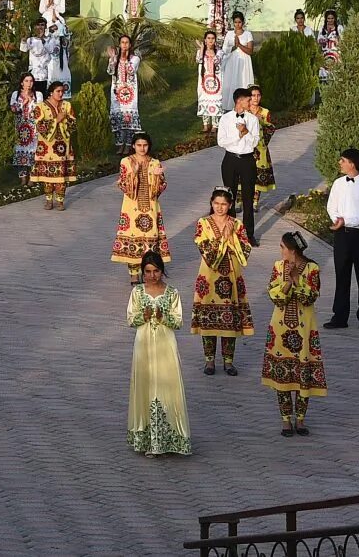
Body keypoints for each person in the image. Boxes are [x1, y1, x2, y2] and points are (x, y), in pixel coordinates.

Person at [126, 250, 191, 457]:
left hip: (165, 347)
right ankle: (147, 439)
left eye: (156, 271)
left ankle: (168, 438)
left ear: (162, 271)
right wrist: (142, 316)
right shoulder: (137, 293)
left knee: (167, 387)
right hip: (143, 346)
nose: (152, 276)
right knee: (146, 386)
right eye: (148, 271)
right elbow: (130, 320)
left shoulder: (172, 293)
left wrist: (164, 318)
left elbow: (178, 322)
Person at [261, 230, 326, 436]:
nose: (280, 251)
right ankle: (285, 420)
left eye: (282, 247)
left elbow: (310, 297)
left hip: (304, 328)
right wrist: (288, 282)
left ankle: (301, 420)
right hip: (280, 327)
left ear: (292, 250)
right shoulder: (277, 267)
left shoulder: (313, 268)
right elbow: (276, 297)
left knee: (302, 373)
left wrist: (298, 281)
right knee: (283, 374)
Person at [190, 188, 254, 375]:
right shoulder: (203, 223)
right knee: (209, 318)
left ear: (230, 205)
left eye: (224, 204)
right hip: (209, 275)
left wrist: (231, 236)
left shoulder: (237, 224)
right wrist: (222, 240)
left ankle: (228, 361)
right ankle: (209, 361)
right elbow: (203, 246)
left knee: (230, 318)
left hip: (231, 275)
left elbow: (245, 248)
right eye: (216, 203)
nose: (220, 207)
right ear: (211, 203)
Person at [325, 148, 359, 332]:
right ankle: (339, 316)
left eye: (343, 160)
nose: (340, 163)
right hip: (342, 235)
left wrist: (346, 220)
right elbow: (331, 206)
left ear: (352, 163)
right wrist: (337, 219)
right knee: (342, 276)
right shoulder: (338, 183)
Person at [111, 133, 168, 278]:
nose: (142, 148)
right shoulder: (126, 162)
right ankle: (134, 274)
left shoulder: (155, 162)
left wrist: (157, 177)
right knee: (132, 236)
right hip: (131, 207)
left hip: (151, 206)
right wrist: (134, 174)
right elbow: (122, 184)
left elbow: (161, 187)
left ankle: (149, 272)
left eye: (145, 145)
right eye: (139, 145)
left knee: (151, 236)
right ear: (133, 146)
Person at [215, 89, 262, 245]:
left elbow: (254, 142)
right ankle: (232, 232)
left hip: (247, 160)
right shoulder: (225, 119)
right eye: (249, 100)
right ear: (239, 101)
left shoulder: (253, 120)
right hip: (230, 160)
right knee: (230, 197)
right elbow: (221, 141)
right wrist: (237, 136)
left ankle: (249, 234)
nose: (252, 102)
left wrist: (245, 132)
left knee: (248, 198)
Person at [30, 81, 74, 211]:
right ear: (51, 92)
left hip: (63, 146)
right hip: (47, 146)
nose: (61, 94)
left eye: (62, 91)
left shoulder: (67, 105)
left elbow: (73, 124)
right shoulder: (40, 107)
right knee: (47, 175)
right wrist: (57, 120)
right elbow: (40, 126)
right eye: (58, 91)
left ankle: (60, 201)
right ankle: (49, 200)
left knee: (61, 176)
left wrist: (64, 120)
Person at [108, 34, 143, 147]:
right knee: (118, 116)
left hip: (130, 94)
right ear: (119, 44)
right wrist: (113, 58)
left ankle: (128, 144)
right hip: (117, 93)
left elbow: (131, 70)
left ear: (130, 45)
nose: (124, 45)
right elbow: (110, 71)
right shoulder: (114, 58)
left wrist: (125, 58)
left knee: (129, 118)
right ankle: (119, 144)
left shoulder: (135, 59)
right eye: (122, 42)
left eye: (126, 43)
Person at [220, 11, 255, 115]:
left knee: (243, 81)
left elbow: (250, 51)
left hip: (244, 62)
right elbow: (224, 50)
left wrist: (239, 45)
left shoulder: (248, 34)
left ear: (243, 22)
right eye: (235, 22)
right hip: (232, 61)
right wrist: (233, 47)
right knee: (232, 82)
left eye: (239, 22)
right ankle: (230, 106)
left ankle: (246, 105)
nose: (237, 24)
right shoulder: (229, 34)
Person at [10, 72, 41, 181]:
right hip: (20, 127)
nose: (29, 83)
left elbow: (40, 111)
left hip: (33, 127)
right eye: (26, 81)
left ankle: (32, 177)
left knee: (33, 150)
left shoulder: (38, 94)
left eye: (31, 81)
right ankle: (23, 178)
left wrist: (31, 101)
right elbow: (13, 109)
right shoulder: (16, 94)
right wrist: (24, 103)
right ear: (22, 83)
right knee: (20, 150)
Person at [195, 30, 224, 136]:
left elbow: (217, 60)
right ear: (205, 40)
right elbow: (199, 60)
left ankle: (215, 125)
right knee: (204, 100)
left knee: (215, 100)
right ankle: (205, 125)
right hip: (204, 82)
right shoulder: (200, 52)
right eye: (208, 38)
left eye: (212, 38)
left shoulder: (219, 52)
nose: (211, 40)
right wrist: (202, 48)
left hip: (216, 81)